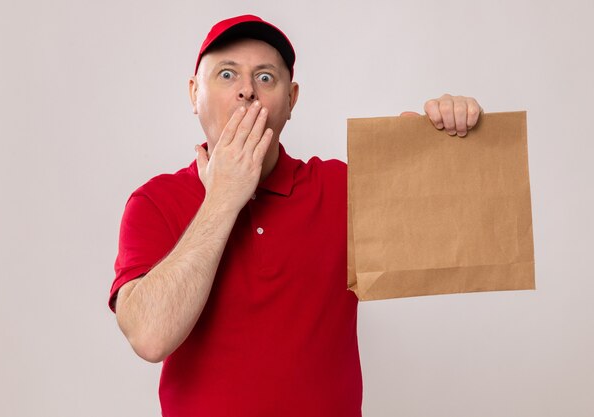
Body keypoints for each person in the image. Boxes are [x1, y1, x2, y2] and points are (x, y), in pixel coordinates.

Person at [108, 14, 482, 417]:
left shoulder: (340, 188)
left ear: (291, 100)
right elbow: (149, 337)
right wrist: (223, 197)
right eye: (227, 74)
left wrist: (448, 143)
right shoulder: (154, 202)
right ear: (194, 93)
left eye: (265, 77)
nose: (247, 92)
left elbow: (465, 230)